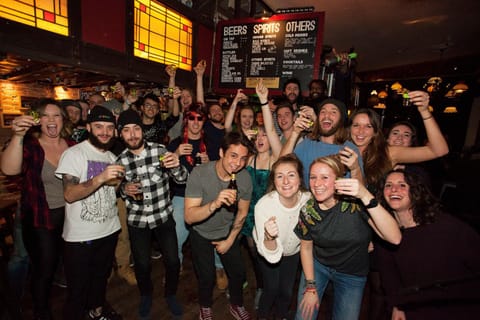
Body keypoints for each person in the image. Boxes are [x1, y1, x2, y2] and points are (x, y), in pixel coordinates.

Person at [294, 155, 402, 320]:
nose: (317, 184)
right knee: (303, 317)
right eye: (313, 177)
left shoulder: (355, 204)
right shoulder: (308, 211)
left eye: (325, 177)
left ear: (338, 180)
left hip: (351, 274)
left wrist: (365, 195)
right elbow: (306, 247)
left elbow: (394, 238)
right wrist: (310, 286)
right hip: (319, 266)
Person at [1, 99, 73, 320]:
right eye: (46, 116)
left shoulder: (71, 145)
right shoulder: (31, 145)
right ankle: (42, 312)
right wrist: (18, 136)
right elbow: (9, 169)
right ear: (38, 121)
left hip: (69, 216)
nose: (51, 120)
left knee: (65, 263)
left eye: (57, 116)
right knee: (44, 268)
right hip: (40, 216)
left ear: (63, 120)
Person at [377, 169, 480, 320]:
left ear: (416, 191)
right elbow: (390, 278)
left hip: (456, 307)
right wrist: (397, 305)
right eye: (388, 185)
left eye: (402, 185)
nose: (394, 189)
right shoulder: (384, 232)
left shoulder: (447, 227)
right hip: (415, 308)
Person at [116, 109, 187, 319]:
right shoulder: (119, 161)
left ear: (142, 130)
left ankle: (170, 294)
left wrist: (176, 167)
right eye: (127, 130)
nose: (133, 134)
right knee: (142, 264)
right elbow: (117, 188)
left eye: (136, 129)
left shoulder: (160, 151)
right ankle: (146, 294)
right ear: (121, 134)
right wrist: (123, 190)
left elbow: (182, 180)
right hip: (137, 220)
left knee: (173, 261)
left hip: (163, 217)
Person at [55, 105, 123, 320]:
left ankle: (97, 313)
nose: (104, 132)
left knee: (100, 280)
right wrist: (100, 177)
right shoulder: (74, 154)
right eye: (99, 126)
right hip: (81, 237)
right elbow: (70, 194)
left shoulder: (112, 157)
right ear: (88, 127)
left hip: (109, 229)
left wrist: (124, 187)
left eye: (109, 127)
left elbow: (112, 192)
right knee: (77, 291)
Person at [184, 131, 255, 320]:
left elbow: (242, 212)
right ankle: (205, 307)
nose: (237, 163)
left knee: (239, 273)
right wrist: (214, 204)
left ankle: (236, 304)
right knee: (206, 277)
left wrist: (230, 240)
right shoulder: (200, 174)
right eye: (233, 156)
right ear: (222, 152)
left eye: (243, 158)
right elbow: (189, 217)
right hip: (200, 232)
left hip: (226, 232)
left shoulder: (244, 178)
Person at [348, 91, 448, 191]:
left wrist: (424, 111)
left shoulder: (387, 153)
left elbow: (440, 150)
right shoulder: (341, 149)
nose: (361, 131)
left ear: (375, 132)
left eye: (368, 126)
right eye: (356, 125)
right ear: (349, 128)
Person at [241, 79, 283, 309]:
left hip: (270, 217)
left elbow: (272, 133)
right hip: (250, 215)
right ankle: (261, 286)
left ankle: (270, 288)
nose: (260, 139)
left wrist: (264, 101)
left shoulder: (277, 160)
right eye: (258, 136)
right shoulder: (249, 159)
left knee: (270, 254)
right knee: (254, 252)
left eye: (265, 136)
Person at [253, 154, 311, 320]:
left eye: (291, 175)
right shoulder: (264, 206)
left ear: (300, 179)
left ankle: (281, 315)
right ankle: (262, 316)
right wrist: (269, 237)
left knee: (286, 290)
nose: (285, 181)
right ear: (274, 181)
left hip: (293, 252)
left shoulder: (308, 200)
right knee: (271, 288)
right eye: (280, 176)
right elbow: (271, 256)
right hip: (267, 251)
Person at [281, 98, 363, 184]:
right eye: (323, 112)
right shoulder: (307, 144)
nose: (326, 116)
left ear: (341, 120)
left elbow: (361, 190)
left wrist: (355, 169)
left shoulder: (349, 150)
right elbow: (281, 166)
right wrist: (295, 132)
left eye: (333, 112)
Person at [167, 104, 208, 268]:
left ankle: (218, 268)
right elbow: (161, 167)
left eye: (200, 118)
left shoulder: (209, 143)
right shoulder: (176, 143)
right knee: (175, 237)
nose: (196, 122)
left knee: (211, 236)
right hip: (181, 196)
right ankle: (175, 267)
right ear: (186, 121)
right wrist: (176, 153)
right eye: (192, 118)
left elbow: (222, 171)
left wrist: (210, 163)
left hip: (205, 196)